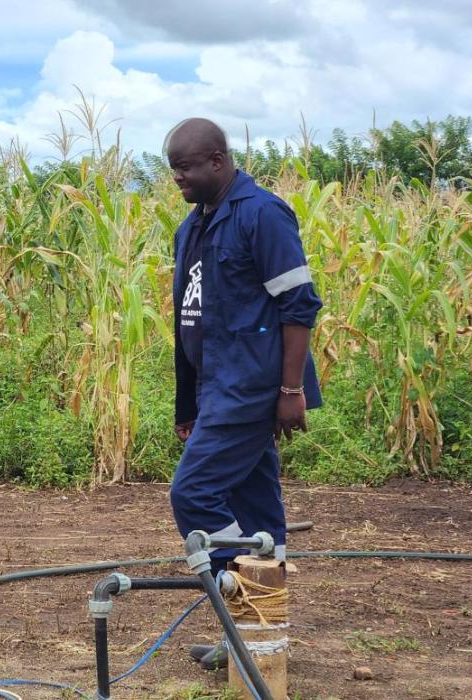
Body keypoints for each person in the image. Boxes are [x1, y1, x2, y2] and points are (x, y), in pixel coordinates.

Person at [164, 117, 323, 669]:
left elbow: (298, 305)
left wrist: (290, 388)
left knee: (192, 495)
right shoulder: (194, 226)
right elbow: (194, 318)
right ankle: (254, 644)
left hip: (251, 388)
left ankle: (239, 596)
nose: (177, 179)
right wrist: (190, 406)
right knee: (258, 513)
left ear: (216, 159)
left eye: (184, 168)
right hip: (216, 390)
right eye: (172, 170)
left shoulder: (262, 214)